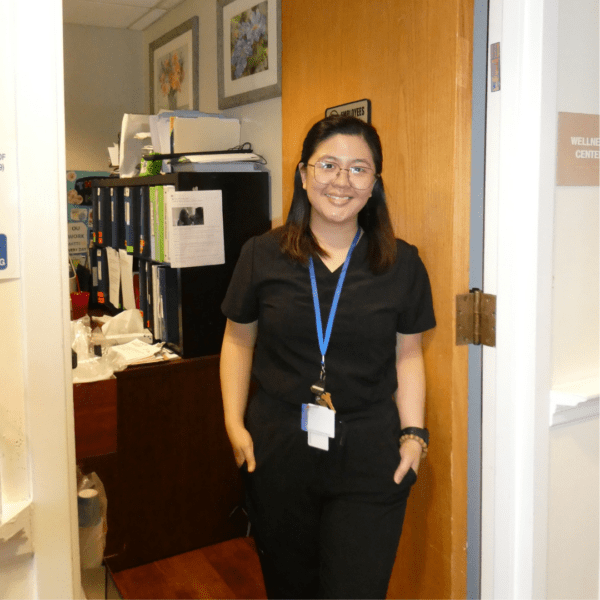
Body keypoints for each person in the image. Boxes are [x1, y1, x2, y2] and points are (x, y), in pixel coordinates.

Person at [220, 115, 436, 599]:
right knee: (290, 586)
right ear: (303, 174)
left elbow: (408, 355)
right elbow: (238, 341)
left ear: (375, 183)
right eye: (329, 165)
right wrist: (235, 425)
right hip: (280, 448)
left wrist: (414, 435)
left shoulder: (402, 263)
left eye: (359, 169)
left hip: (369, 451)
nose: (342, 181)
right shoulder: (262, 254)